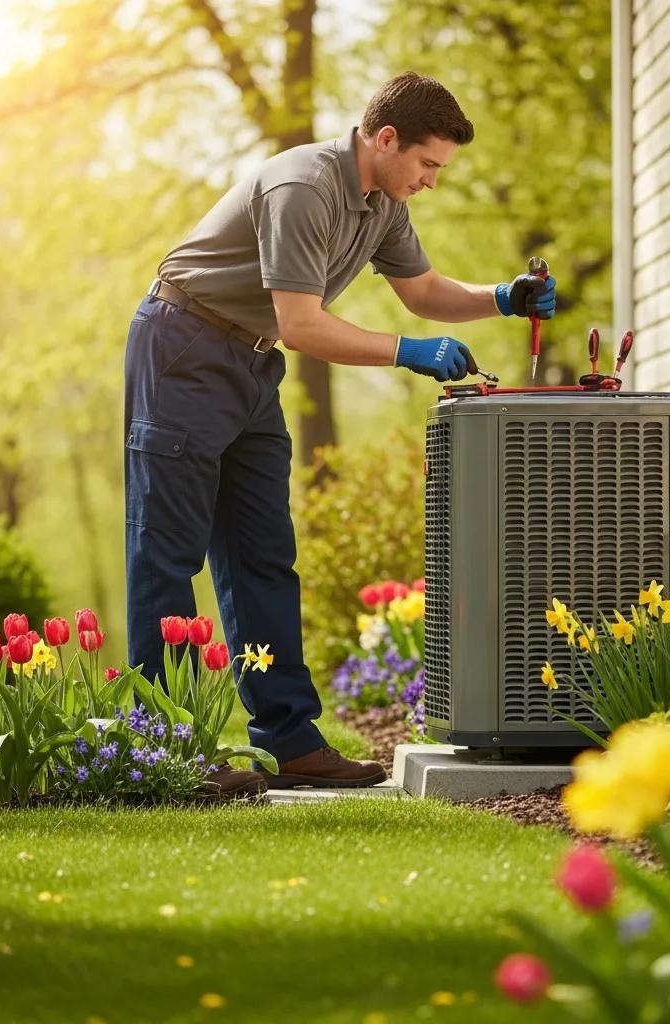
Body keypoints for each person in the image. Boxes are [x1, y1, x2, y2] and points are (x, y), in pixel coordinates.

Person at [123, 71, 557, 796]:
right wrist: (407, 351)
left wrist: (503, 299)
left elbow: (423, 291)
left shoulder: (382, 203)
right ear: (384, 139)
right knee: (168, 553)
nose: (432, 182)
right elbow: (302, 323)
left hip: (251, 365)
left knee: (264, 554)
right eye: (427, 165)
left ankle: (289, 739)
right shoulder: (304, 187)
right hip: (184, 349)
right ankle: (164, 750)